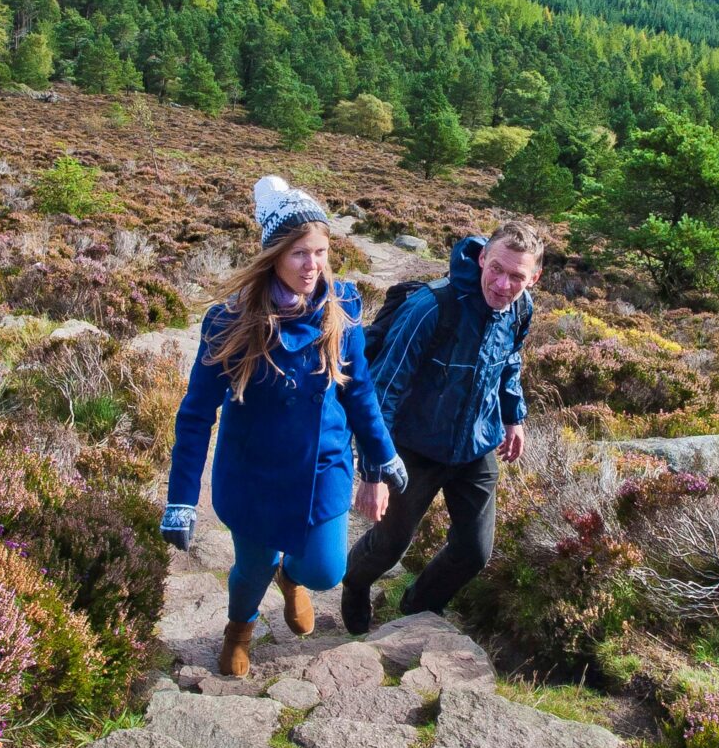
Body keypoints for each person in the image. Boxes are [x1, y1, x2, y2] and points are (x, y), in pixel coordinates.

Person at [164, 177, 407, 678]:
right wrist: (182, 499)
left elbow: (359, 391)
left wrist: (380, 458)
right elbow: (194, 415)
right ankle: (240, 628)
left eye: (320, 252)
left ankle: (290, 575)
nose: (312, 266)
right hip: (255, 468)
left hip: (325, 464)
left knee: (325, 571)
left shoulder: (341, 310)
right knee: (250, 567)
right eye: (299, 253)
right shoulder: (229, 321)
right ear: (272, 255)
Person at [341, 218, 547, 635]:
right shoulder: (433, 306)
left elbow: (509, 361)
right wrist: (374, 471)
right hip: (413, 446)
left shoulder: (521, 308)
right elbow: (384, 388)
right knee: (389, 545)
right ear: (483, 257)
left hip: (476, 444)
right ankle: (355, 583)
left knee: (474, 552)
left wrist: (513, 415)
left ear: (535, 278)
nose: (504, 285)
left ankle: (418, 606)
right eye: (497, 269)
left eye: (517, 277)